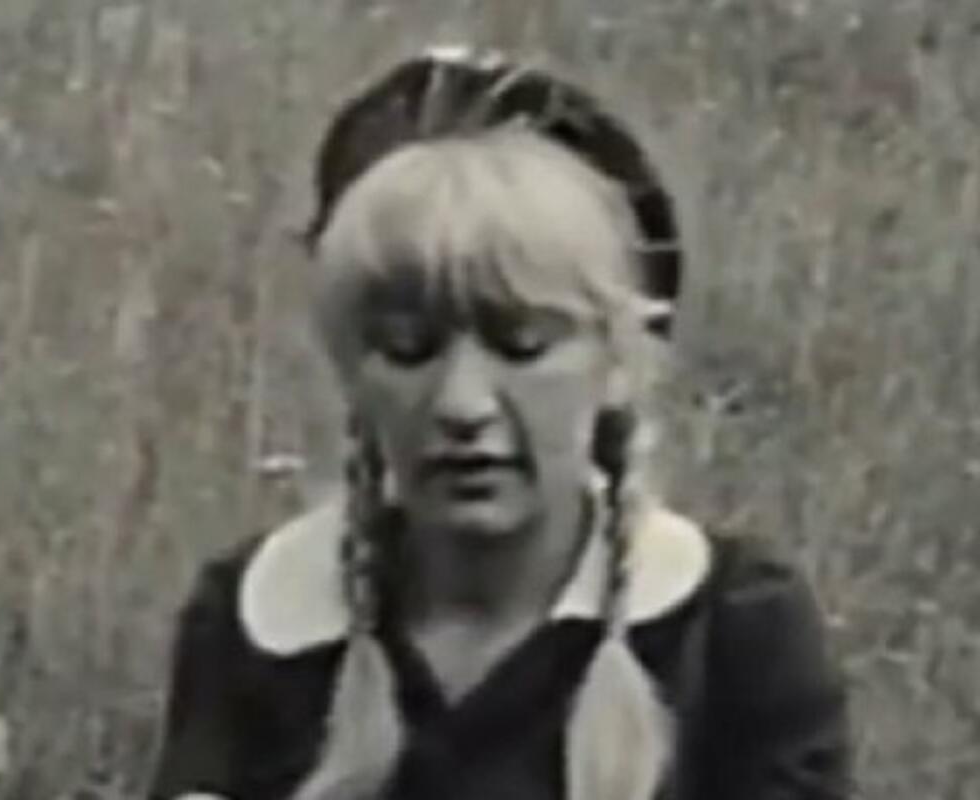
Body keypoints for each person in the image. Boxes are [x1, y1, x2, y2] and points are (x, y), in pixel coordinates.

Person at [146, 47, 851, 800]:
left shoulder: (729, 631)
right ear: (352, 370)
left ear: (619, 363)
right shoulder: (263, 621)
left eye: (522, 347)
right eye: (409, 350)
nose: (462, 405)